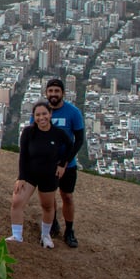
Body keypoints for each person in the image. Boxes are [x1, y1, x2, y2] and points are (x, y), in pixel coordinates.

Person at [7, 100, 73, 248]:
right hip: (30, 173)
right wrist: (21, 177)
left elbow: (70, 146)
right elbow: (23, 155)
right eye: (38, 115)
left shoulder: (58, 134)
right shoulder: (28, 132)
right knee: (17, 201)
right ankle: (17, 235)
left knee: (48, 206)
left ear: (50, 114)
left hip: (49, 175)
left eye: (44, 114)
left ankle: (45, 235)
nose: (41, 118)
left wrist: (63, 164)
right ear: (33, 117)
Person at [45, 77, 85, 248]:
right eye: (51, 91)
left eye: (57, 91)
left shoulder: (73, 112)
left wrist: (65, 162)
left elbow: (79, 140)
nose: (53, 94)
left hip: (68, 164)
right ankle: (53, 222)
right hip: (48, 163)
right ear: (46, 93)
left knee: (67, 196)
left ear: (63, 93)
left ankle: (69, 230)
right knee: (50, 195)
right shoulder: (42, 111)